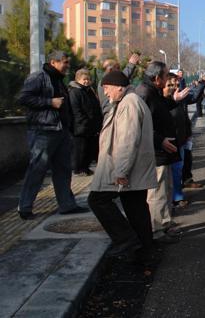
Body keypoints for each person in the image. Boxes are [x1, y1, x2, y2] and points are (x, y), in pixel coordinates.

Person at [87, 71, 157, 263]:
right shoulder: (127, 101)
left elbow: (128, 139)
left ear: (118, 86)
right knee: (136, 210)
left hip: (128, 169)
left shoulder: (129, 103)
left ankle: (126, 240)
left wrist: (121, 170)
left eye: (107, 89)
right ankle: (144, 251)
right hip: (133, 168)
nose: (106, 94)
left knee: (97, 200)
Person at [16, 51, 88, 220]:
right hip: (43, 130)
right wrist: (49, 102)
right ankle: (25, 207)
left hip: (60, 130)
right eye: (64, 62)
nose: (67, 65)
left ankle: (67, 205)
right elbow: (23, 98)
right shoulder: (38, 77)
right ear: (53, 62)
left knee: (63, 169)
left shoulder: (58, 79)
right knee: (37, 169)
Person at [136, 61, 189, 242]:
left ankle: (165, 224)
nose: (168, 79)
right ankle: (156, 230)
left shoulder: (153, 91)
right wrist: (160, 140)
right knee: (157, 193)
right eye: (166, 76)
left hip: (164, 152)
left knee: (166, 190)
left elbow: (162, 108)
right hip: (155, 153)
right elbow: (140, 125)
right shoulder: (143, 93)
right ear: (157, 78)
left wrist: (174, 100)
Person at [164, 73, 205, 208]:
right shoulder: (163, 101)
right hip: (169, 142)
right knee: (173, 171)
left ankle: (177, 196)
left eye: (177, 85)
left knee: (178, 169)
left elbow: (193, 97)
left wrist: (201, 84)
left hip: (181, 140)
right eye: (171, 85)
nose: (175, 88)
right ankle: (173, 198)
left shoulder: (181, 98)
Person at [68, 68, 104, 176]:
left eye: (88, 79)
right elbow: (76, 111)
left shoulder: (89, 91)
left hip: (90, 127)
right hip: (80, 128)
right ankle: (79, 169)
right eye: (84, 79)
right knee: (80, 150)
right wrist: (84, 123)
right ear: (78, 79)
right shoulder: (74, 92)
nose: (86, 81)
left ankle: (85, 168)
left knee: (89, 149)